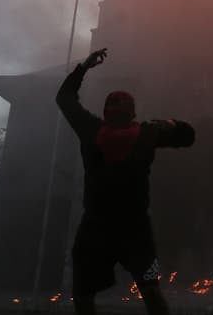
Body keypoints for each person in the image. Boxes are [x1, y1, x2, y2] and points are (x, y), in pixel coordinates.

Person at [56, 48, 195, 315]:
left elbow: (64, 98)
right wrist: (170, 123)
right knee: (148, 289)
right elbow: (188, 135)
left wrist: (83, 67)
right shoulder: (147, 132)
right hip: (129, 229)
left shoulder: (92, 129)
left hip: (105, 227)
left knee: (86, 293)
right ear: (132, 112)